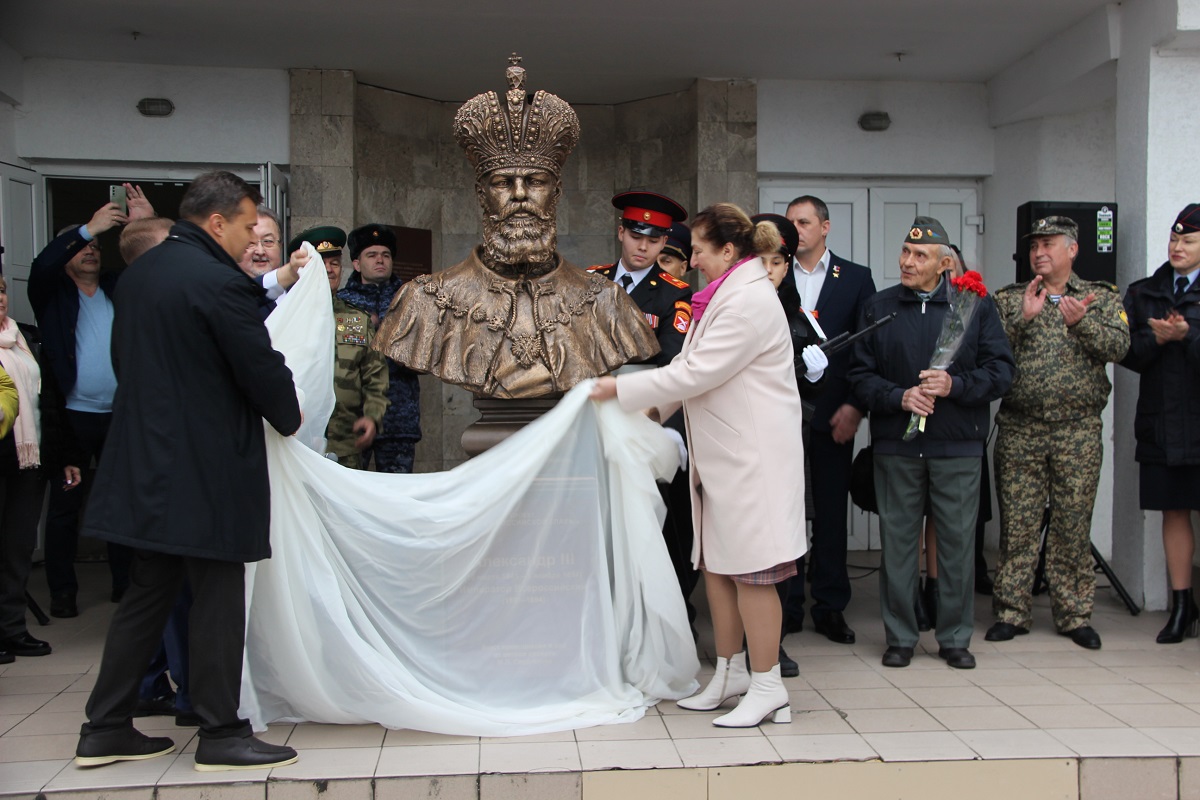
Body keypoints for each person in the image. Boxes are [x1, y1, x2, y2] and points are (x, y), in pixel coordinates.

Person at [74, 171, 302, 772]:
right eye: (249, 225)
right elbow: (258, 366)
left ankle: (105, 726)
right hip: (206, 468)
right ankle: (221, 733)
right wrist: (289, 415)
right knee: (218, 597)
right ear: (217, 222)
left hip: (146, 462)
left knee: (146, 596)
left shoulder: (140, 274)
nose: (253, 236)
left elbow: (128, 361)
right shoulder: (219, 282)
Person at [590, 202, 806, 728]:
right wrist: (649, 413)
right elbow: (688, 367)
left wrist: (620, 390)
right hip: (723, 459)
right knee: (718, 570)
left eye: (701, 252)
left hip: (752, 462)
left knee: (754, 574)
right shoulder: (721, 296)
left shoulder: (749, 301)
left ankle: (768, 685)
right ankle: (731, 673)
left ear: (729, 251)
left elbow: (697, 373)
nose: (692, 262)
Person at [376, 56, 658, 398]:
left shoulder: (607, 301)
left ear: (556, 192)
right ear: (482, 194)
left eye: (536, 181)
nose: (520, 194)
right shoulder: (423, 301)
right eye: (502, 182)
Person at [848, 216, 1014, 670]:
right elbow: (859, 376)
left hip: (956, 448)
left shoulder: (974, 307)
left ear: (944, 264)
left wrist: (955, 386)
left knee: (958, 547)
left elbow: (1002, 371)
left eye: (919, 255)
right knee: (898, 546)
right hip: (896, 449)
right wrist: (898, 397)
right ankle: (900, 636)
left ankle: (955, 637)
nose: (907, 261)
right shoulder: (879, 307)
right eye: (905, 251)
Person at [986, 216, 1129, 651]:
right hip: (1021, 428)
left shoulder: (1100, 297)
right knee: (1018, 525)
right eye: (1034, 246)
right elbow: (985, 352)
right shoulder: (1010, 299)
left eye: (1048, 244)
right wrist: (1023, 320)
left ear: (1072, 250)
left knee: (1072, 524)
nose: (1039, 253)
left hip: (1077, 431)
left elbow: (1120, 347)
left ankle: (1074, 614)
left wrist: (1081, 322)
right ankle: (1012, 611)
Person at [28, 184, 156, 617]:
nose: (91, 251)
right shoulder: (52, 294)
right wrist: (88, 228)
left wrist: (145, 225)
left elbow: (156, 266)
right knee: (66, 507)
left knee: (122, 503)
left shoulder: (117, 286)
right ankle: (63, 592)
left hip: (119, 415)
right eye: (83, 246)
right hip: (72, 419)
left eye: (97, 246)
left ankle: (124, 585)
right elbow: (43, 264)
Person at [777, 195, 875, 645]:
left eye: (804, 222)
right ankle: (789, 604)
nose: (796, 230)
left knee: (832, 513)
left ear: (825, 227)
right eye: (791, 223)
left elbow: (866, 351)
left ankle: (830, 605)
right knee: (788, 511)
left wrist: (855, 405)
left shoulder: (854, 278)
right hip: (783, 413)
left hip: (834, 413)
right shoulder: (775, 274)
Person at [752, 211, 829, 678]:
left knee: (782, 546)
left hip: (784, 447)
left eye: (777, 263)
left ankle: (773, 643)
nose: (768, 272)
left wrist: (815, 375)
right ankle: (740, 641)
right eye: (759, 261)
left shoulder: (799, 318)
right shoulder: (729, 312)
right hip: (742, 444)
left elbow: (814, 393)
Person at [1120, 203, 1200, 643]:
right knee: (1174, 510)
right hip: (1163, 424)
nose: (1177, 247)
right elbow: (1125, 352)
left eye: (1187, 240)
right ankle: (1182, 604)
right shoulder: (1144, 292)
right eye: (1173, 238)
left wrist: (1189, 337)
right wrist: (1158, 337)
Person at [291, 226, 391, 468]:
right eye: (321, 263)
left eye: (335, 263)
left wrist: (372, 416)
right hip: (298, 442)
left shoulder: (357, 320)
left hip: (345, 444)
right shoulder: (290, 315)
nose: (329, 270)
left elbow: (375, 376)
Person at [0, 276, 59, 660]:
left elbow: (49, 396)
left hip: (28, 458)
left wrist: (63, 452)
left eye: (2, 290)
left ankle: (12, 629)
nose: (0, 298)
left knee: (17, 547)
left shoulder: (26, 337)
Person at [336, 224, 420, 472]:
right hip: (354, 418)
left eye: (385, 255)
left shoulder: (410, 300)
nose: (380, 260)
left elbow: (424, 354)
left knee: (397, 489)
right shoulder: (343, 303)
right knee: (350, 487)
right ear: (357, 264)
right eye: (371, 255)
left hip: (398, 417)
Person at [589, 191, 692, 365]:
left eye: (653, 241)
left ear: (663, 242)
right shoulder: (591, 278)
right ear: (621, 233)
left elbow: (671, 360)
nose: (643, 247)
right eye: (635, 237)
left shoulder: (674, 294)